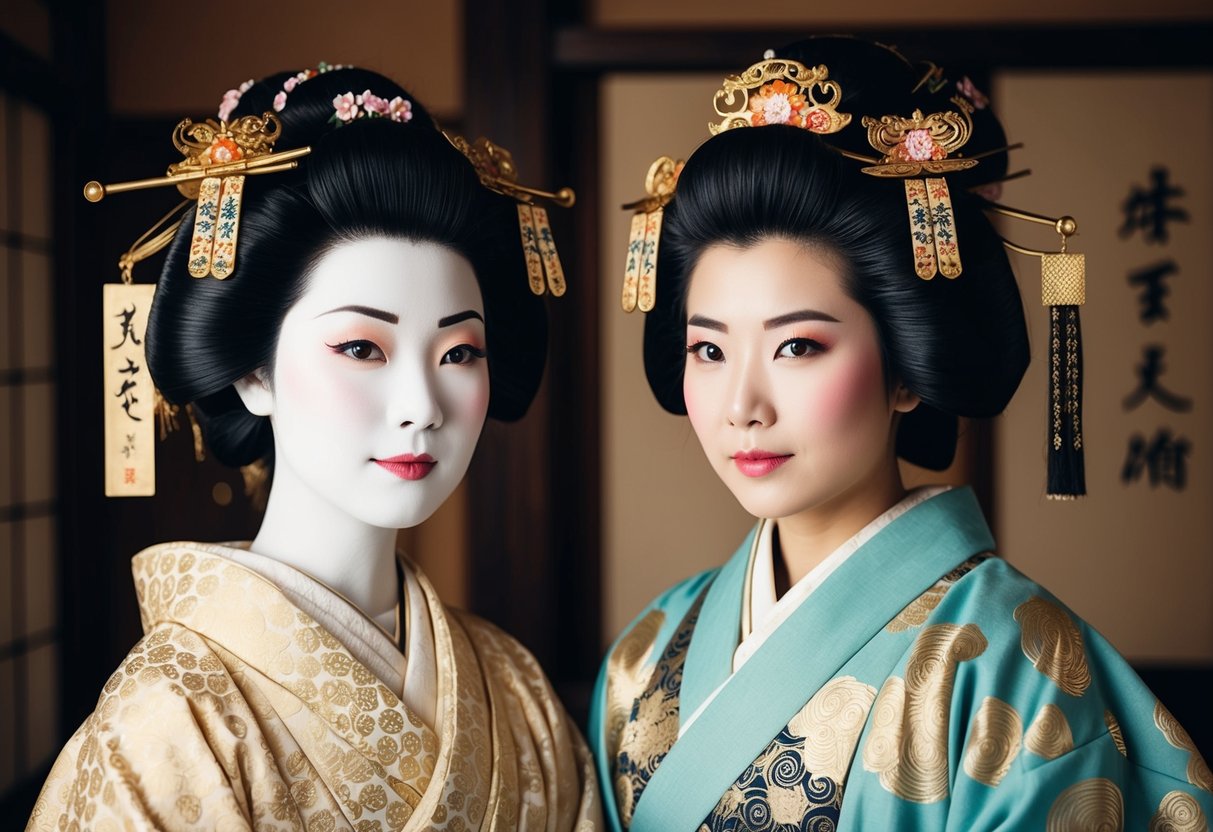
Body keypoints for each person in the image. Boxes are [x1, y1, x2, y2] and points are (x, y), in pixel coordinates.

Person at [589, 38, 1211, 830]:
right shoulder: (646, 654)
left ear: (908, 370)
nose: (741, 404)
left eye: (797, 346)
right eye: (707, 349)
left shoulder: (1015, 667)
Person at [30, 65, 600, 831]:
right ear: (252, 371)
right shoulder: (167, 722)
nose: (421, 406)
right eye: (362, 348)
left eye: (459, 353)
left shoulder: (513, 685)